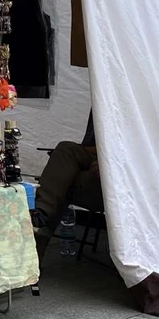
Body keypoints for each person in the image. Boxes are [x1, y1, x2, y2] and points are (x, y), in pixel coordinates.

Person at [30, 111, 102, 262]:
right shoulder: (101, 100)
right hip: (97, 157)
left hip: (119, 167)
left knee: (63, 182)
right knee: (65, 149)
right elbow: (88, 147)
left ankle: (39, 232)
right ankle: (41, 212)